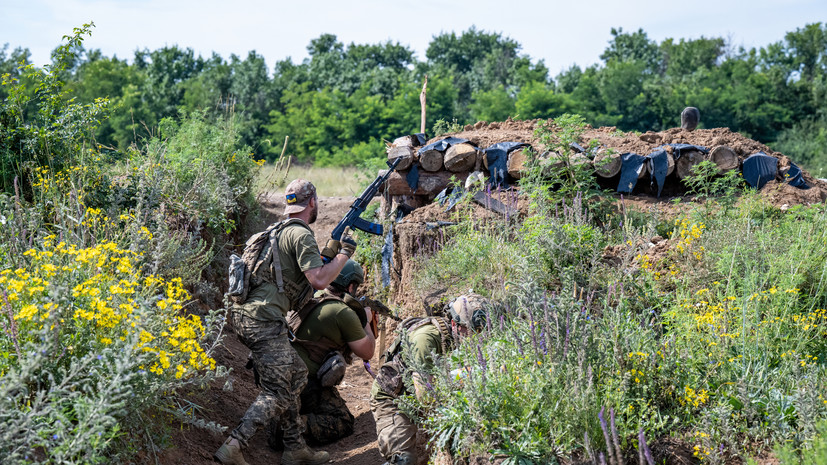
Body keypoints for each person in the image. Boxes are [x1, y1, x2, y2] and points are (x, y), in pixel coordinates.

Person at [215, 179, 356, 465]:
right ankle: (234, 444)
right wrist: (343, 255)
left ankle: (295, 448)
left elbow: (298, 283)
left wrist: (325, 255)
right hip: (264, 321)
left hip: (246, 316)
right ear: (313, 202)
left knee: (297, 374)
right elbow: (318, 280)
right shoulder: (301, 234)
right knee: (278, 391)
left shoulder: (274, 232)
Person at [268, 259, 376, 449]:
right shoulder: (342, 312)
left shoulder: (313, 296)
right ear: (351, 286)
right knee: (343, 421)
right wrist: (365, 319)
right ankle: (291, 428)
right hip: (302, 382)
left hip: (279, 372)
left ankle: (285, 417)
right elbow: (367, 351)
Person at [370, 293, 489, 465]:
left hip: (421, 390)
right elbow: (425, 398)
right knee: (404, 461)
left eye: (479, 331)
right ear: (454, 324)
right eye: (470, 330)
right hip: (394, 399)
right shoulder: (425, 339)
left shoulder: (455, 336)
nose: (474, 336)